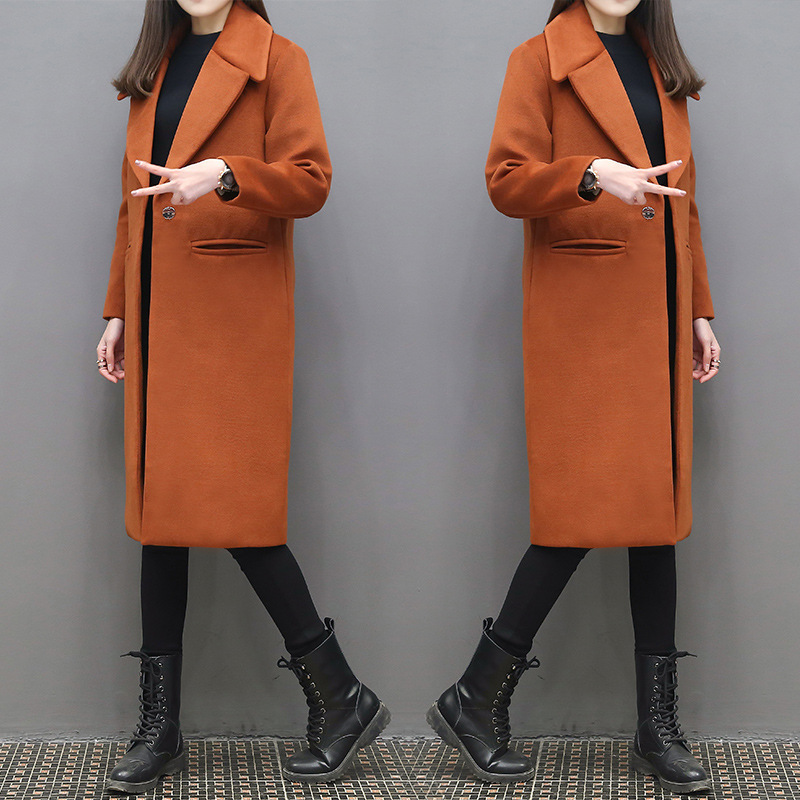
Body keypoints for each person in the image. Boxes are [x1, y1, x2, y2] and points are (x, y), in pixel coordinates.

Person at [426, 0, 720, 793]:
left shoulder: (663, 68)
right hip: (584, 324)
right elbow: (506, 180)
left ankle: (656, 728)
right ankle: (476, 696)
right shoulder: (539, 59)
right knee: (576, 516)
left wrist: (698, 310)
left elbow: (684, 207)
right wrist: (590, 175)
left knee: (656, 521)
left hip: (654, 322)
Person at [96, 0, 389, 792]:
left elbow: (310, 180)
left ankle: (340, 696)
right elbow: (133, 207)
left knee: (241, 517)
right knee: (160, 521)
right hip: (161, 322)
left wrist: (226, 176)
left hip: (232, 324)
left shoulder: (277, 59)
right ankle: (160, 727)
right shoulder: (152, 69)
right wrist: (118, 310)